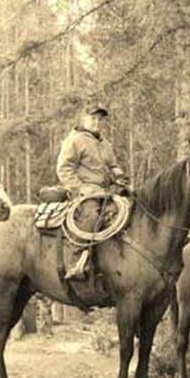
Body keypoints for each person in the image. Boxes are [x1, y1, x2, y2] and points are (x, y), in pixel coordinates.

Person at [56, 104, 127, 279]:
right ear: (83, 119)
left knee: (129, 210)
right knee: (92, 216)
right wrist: (80, 188)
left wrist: (118, 175)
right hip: (84, 191)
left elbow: (112, 165)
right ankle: (76, 261)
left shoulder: (105, 144)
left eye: (100, 119)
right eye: (93, 118)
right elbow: (64, 168)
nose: (97, 122)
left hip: (105, 191)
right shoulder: (75, 140)